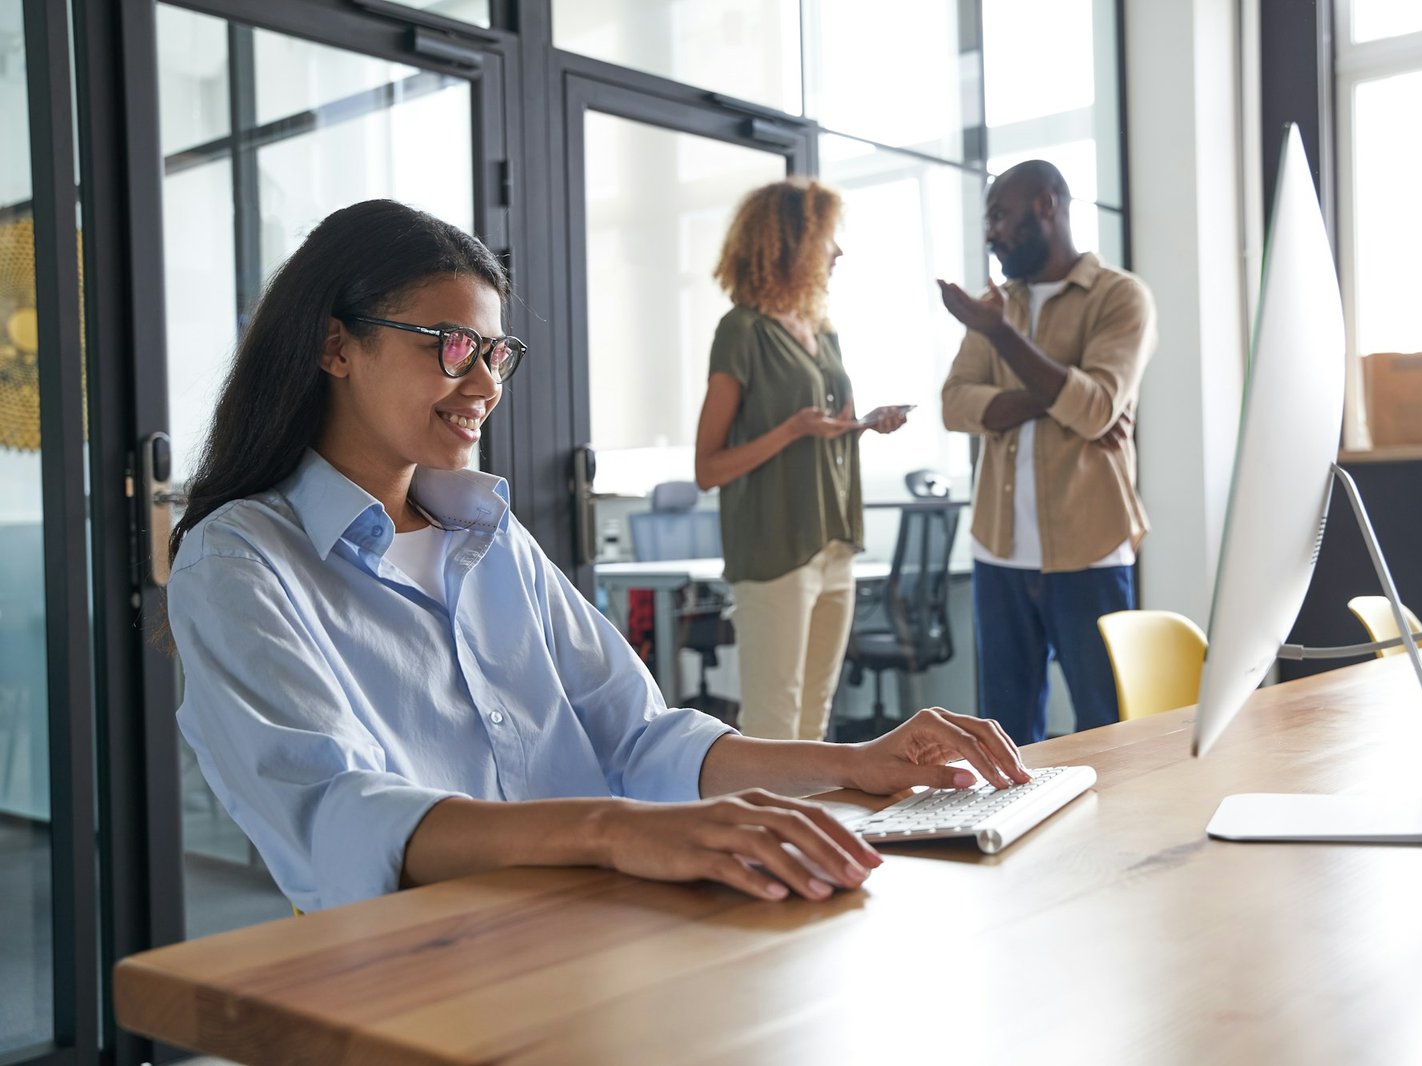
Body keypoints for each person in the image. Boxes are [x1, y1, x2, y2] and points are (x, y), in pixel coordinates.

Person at [165, 199, 1024, 914]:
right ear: (336, 347)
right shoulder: (239, 564)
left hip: (593, 923)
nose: (486, 385)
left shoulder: (488, 536)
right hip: (426, 963)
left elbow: (639, 737)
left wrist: (854, 761)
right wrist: (614, 830)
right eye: (451, 346)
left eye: (495, 354)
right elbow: (335, 814)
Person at [938, 160, 1156, 744]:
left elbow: (1096, 408)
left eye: (999, 216)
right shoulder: (996, 304)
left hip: (1092, 547)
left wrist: (1002, 338)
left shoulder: (1120, 296)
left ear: (1045, 206)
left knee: (1106, 726)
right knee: (1003, 733)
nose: (990, 233)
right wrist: (1061, 395)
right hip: (999, 549)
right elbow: (955, 405)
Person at [693, 179, 907, 742]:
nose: (838, 252)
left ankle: (811, 807)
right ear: (790, 243)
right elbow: (707, 468)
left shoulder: (823, 332)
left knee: (815, 719)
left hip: (833, 541)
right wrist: (791, 431)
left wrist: (865, 424)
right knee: (774, 724)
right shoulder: (741, 331)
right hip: (775, 548)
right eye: (827, 239)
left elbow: (827, 430)